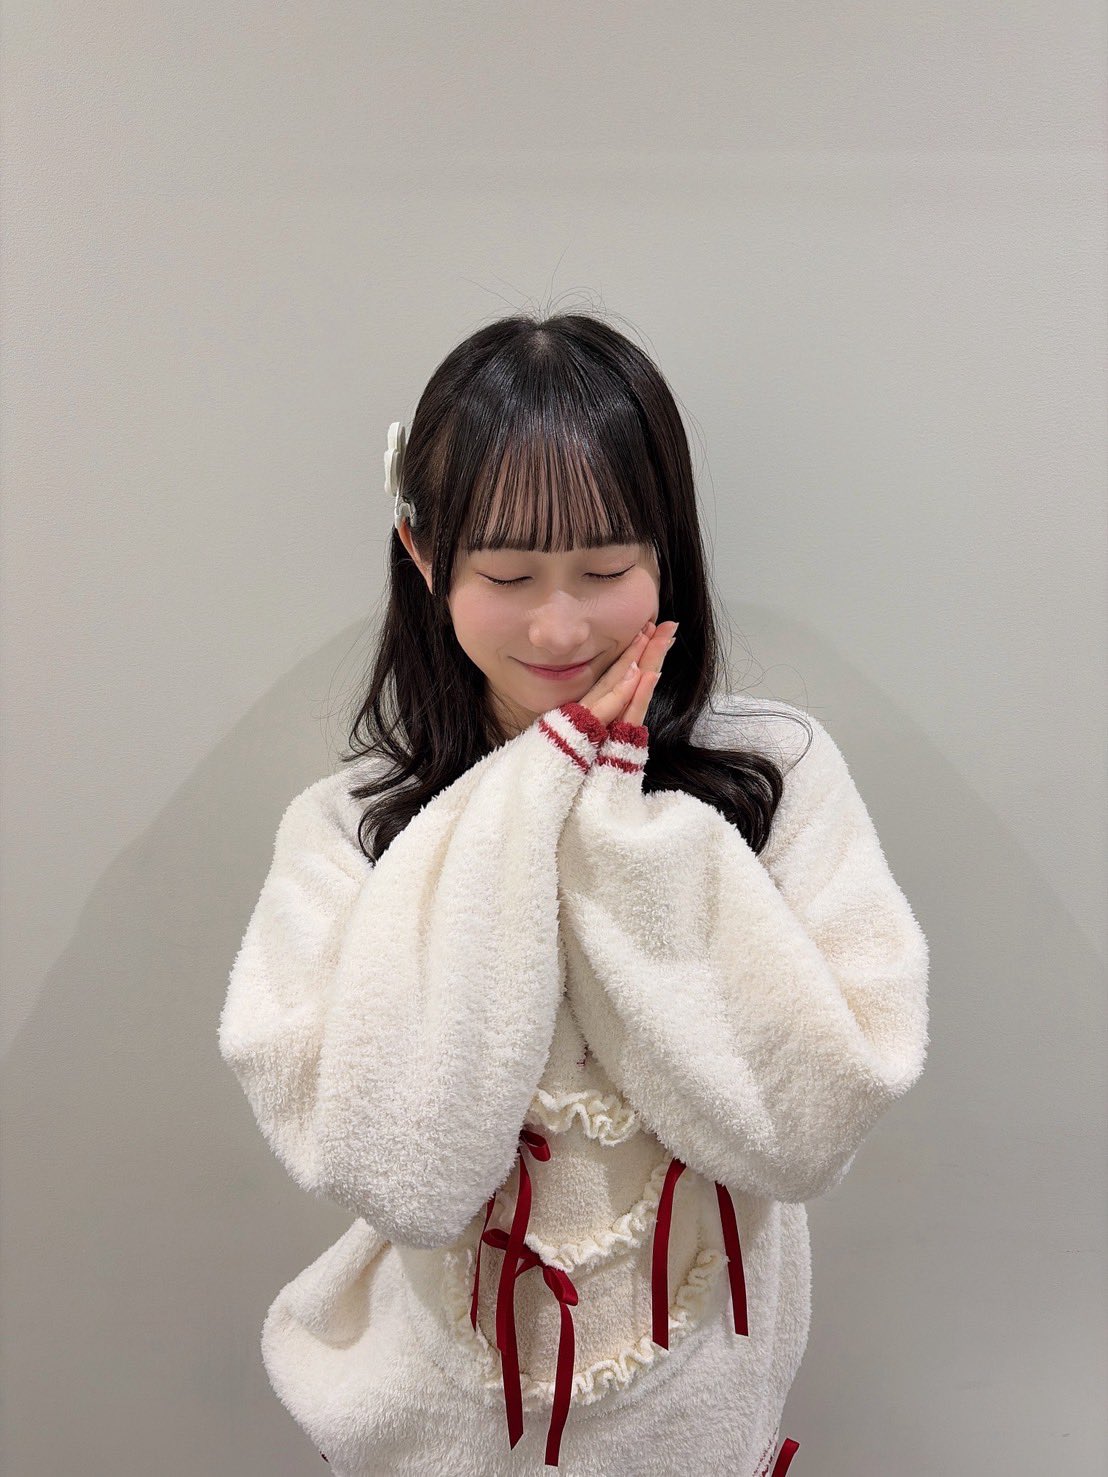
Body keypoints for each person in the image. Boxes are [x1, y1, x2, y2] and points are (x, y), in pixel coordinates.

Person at [218, 311, 930, 1476]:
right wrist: (542, 782)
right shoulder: (350, 831)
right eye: (507, 574)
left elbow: (805, 1124)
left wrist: (617, 827)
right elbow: (403, 1168)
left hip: (699, 1425)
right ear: (422, 555)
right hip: (430, 1428)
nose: (559, 624)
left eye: (604, 571)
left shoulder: (772, 778)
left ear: (667, 553)